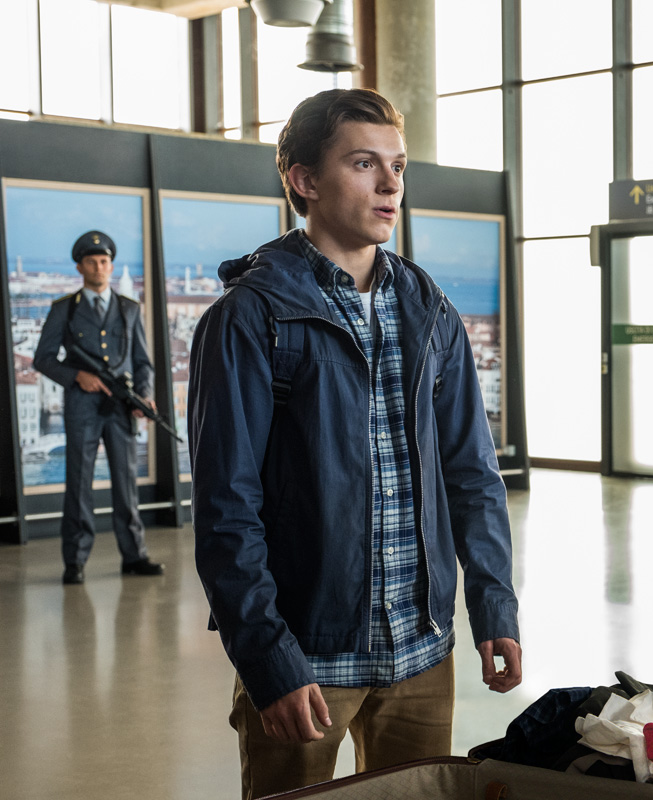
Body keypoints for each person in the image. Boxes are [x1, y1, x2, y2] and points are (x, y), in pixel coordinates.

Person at [188, 88, 522, 800]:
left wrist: (494, 603)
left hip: (422, 652)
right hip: (306, 657)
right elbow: (225, 511)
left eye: (397, 166)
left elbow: (471, 471)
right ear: (305, 180)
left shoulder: (430, 310)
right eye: (364, 163)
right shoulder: (250, 317)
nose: (390, 184)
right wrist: (268, 659)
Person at [33, 230, 163, 585]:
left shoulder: (129, 309)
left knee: (126, 482)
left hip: (121, 408)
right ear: (80, 267)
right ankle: (74, 560)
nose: (99, 267)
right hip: (82, 406)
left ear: (111, 266)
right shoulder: (64, 309)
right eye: (91, 262)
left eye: (104, 261)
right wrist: (77, 376)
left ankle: (134, 556)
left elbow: (142, 362)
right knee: (79, 484)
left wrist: (144, 395)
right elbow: (43, 358)